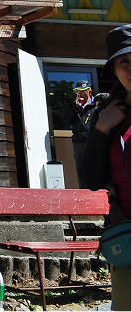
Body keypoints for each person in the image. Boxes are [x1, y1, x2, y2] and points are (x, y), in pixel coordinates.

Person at [81, 24, 132, 312]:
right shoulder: (106, 114)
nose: (131, 67)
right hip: (128, 235)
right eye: (124, 61)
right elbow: (91, 179)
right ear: (114, 69)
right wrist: (101, 130)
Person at [67, 80, 96, 188]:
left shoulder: (95, 106)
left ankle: (96, 192)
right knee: (81, 170)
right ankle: (83, 192)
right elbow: (67, 121)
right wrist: (76, 108)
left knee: (94, 169)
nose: (80, 95)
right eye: (78, 92)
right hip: (78, 143)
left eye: (83, 92)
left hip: (92, 143)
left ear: (89, 92)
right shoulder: (73, 106)